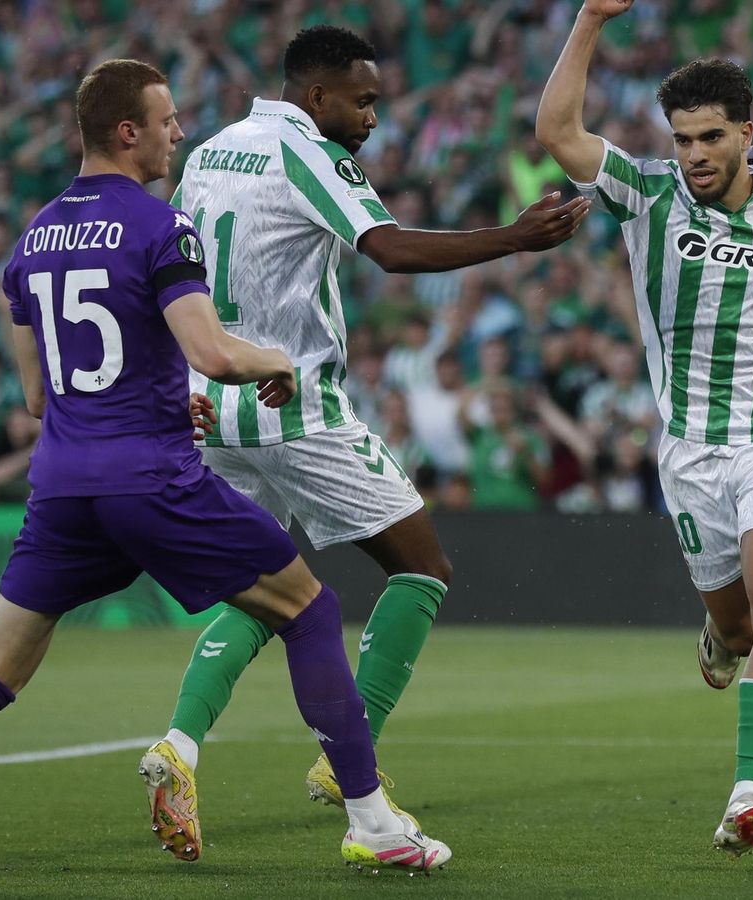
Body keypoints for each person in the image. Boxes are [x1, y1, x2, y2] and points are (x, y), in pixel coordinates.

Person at [0, 59, 448, 885]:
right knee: (309, 608)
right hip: (152, 481)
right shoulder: (159, 227)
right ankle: (371, 821)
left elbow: (42, 395)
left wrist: (143, 396)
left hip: (64, 492)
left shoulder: (31, 240)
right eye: (167, 120)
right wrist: (273, 360)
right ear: (128, 132)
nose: (178, 133)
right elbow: (214, 354)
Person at [155, 23, 589, 840]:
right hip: (296, 403)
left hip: (213, 403)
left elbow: (172, 271)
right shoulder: (310, 154)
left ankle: (178, 744)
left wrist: (172, 382)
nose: (373, 118)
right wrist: (512, 239)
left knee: (268, 585)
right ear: (316, 96)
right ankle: (347, 754)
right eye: (362, 100)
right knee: (423, 566)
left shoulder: (210, 152)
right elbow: (387, 250)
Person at [536, 0, 753, 857]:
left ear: (746, 132)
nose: (692, 155)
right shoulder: (647, 192)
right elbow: (557, 131)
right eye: (682, 138)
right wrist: (589, 20)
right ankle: (720, 641)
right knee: (733, 626)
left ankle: (748, 793)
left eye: (710, 138)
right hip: (690, 450)